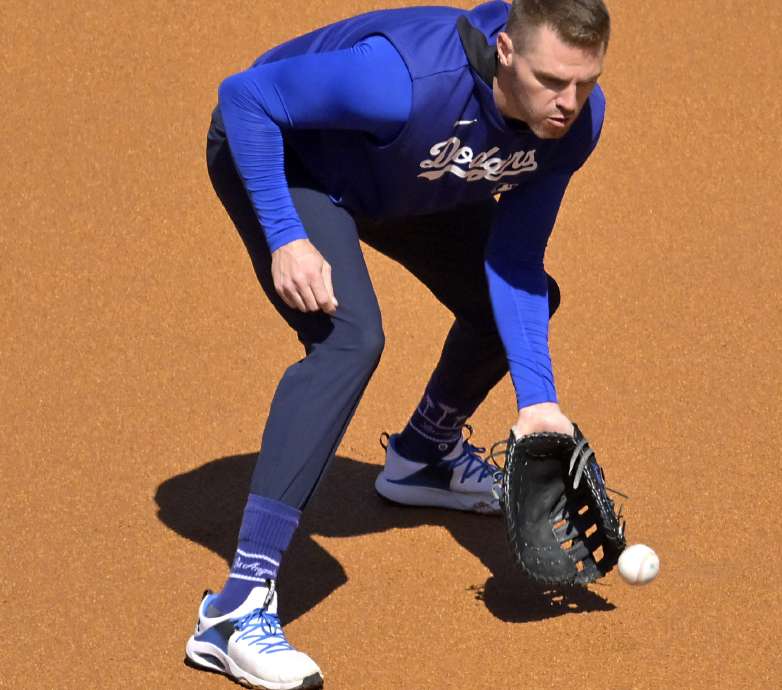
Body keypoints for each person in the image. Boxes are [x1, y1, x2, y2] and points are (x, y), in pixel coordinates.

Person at [185, 1, 610, 687]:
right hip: (286, 159)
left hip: (404, 180)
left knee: (508, 309)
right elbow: (245, 96)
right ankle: (236, 608)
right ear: (505, 51)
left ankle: (423, 456)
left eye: (585, 82)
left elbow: (517, 261)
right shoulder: (405, 80)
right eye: (552, 80)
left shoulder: (574, 124)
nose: (569, 102)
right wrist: (287, 236)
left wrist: (540, 401)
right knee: (350, 339)